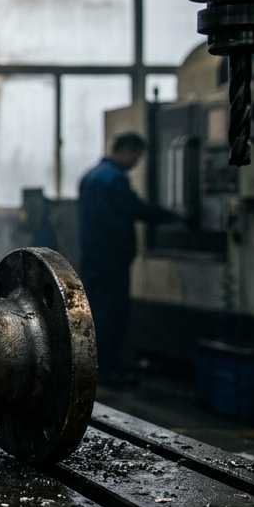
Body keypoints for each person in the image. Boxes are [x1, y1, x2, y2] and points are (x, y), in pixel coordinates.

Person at [77, 132, 179, 385]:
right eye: (137, 155)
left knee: (95, 311)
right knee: (112, 313)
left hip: (93, 257)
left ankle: (92, 366)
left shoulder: (90, 176)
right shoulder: (114, 179)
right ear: (125, 151)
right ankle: (107, 370)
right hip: (112, 259)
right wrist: (173, 216)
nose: (136, 161)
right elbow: (135, 208)